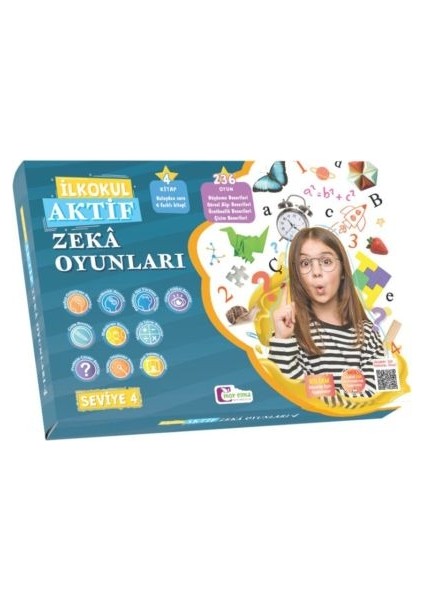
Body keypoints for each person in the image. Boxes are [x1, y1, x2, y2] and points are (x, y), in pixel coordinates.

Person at [268, 226, 385, 402]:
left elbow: (380, 395)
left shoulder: (369, 334)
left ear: (343, 270)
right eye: (305, 263)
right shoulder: (289, 335)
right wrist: (282, 339)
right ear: (298, 276)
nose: (316, 272)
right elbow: (286, 392)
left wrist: (322, 397)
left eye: (326, 261)